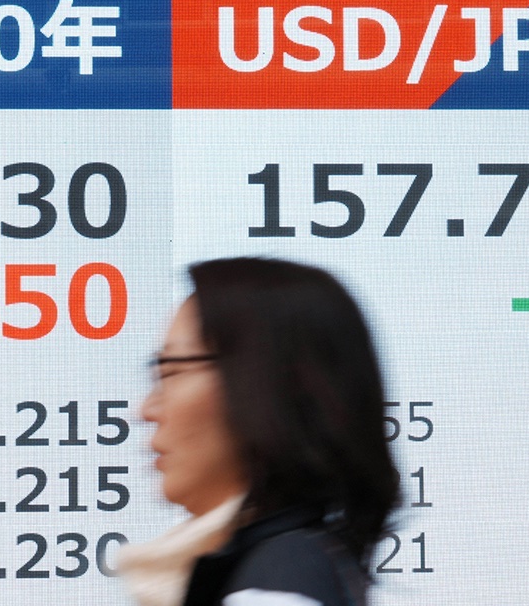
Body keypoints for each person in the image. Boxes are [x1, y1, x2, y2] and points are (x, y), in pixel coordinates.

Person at [119, 257, 399, 606]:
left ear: (262, 385)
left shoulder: (280, 580)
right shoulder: (280, 565)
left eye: (171, 371)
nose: (146, 410)